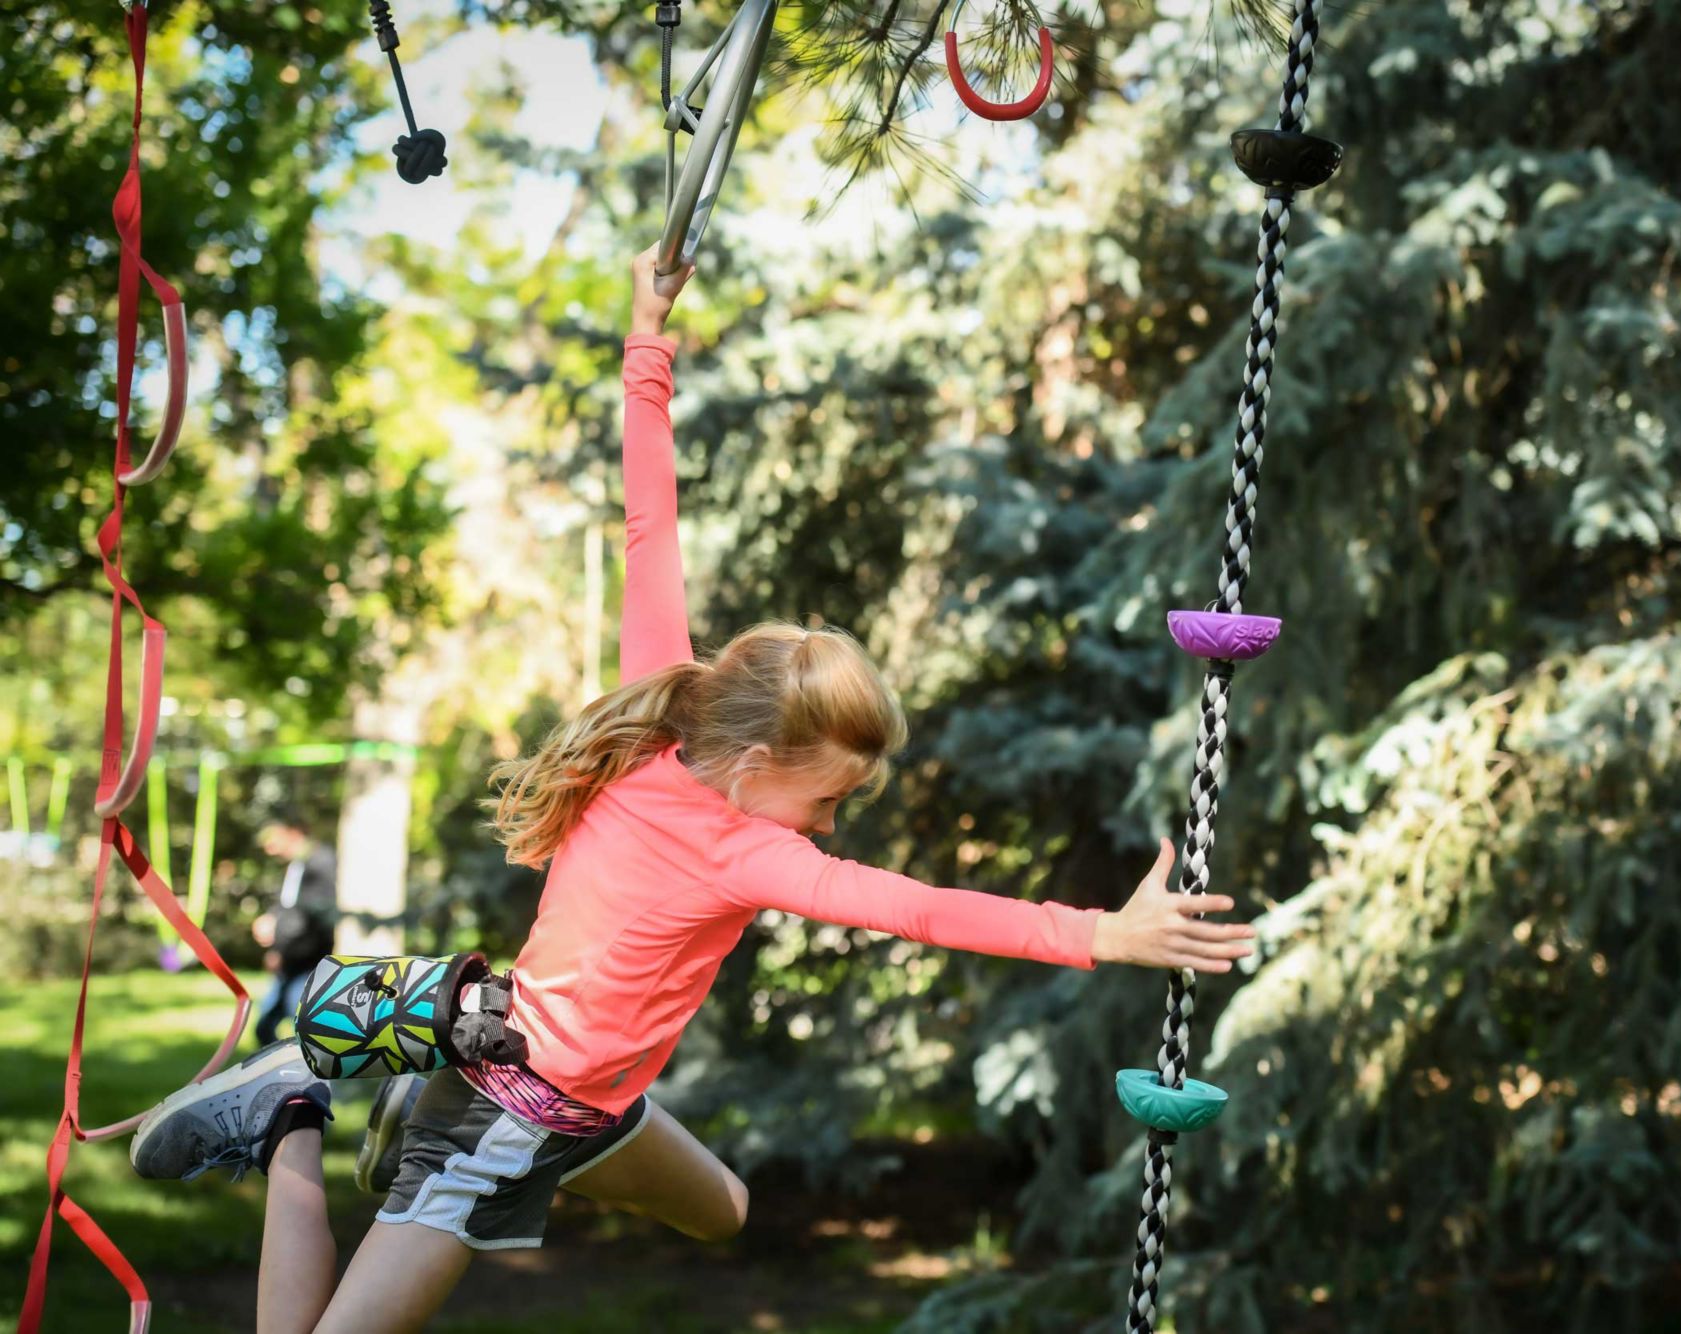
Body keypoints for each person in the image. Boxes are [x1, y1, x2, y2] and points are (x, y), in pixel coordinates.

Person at [126, 253, 1254, 1333]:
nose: (828, 824)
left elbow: (649, 525)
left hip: (587, 1090)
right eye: (827, 799)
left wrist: (646, 336)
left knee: (725, 1209)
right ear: (759, 768)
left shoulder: (662, 710)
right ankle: (290, 1114)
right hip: (512, 1103)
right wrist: (1104, 933)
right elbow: (918, 906)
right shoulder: (744, 844)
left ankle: (412, 1098)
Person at [250, 822, 339, 1047]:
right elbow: (287, 905)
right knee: (265, 1026)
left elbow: (308, 914)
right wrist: (271, 920)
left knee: (302, 1024)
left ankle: (304, 1070)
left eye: (274, 840)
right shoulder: (296, 865)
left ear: (294, 832)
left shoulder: (320, 863)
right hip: (291, 960)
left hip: (306, 958)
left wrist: (280, 945)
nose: (270, 849)